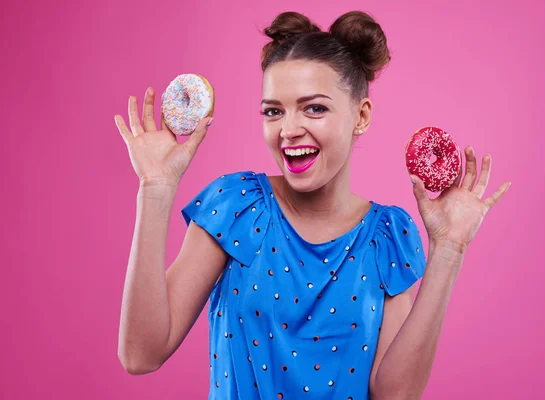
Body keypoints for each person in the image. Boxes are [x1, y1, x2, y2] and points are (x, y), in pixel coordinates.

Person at [114, 10, 511, 400]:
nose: (288, 130)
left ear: (361, 115)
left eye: (314, 108)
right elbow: (140, 354)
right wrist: (156, 187)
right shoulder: (237, 207)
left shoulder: (386, 236)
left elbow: (396, 395)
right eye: (273, 111)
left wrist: (449, 250)